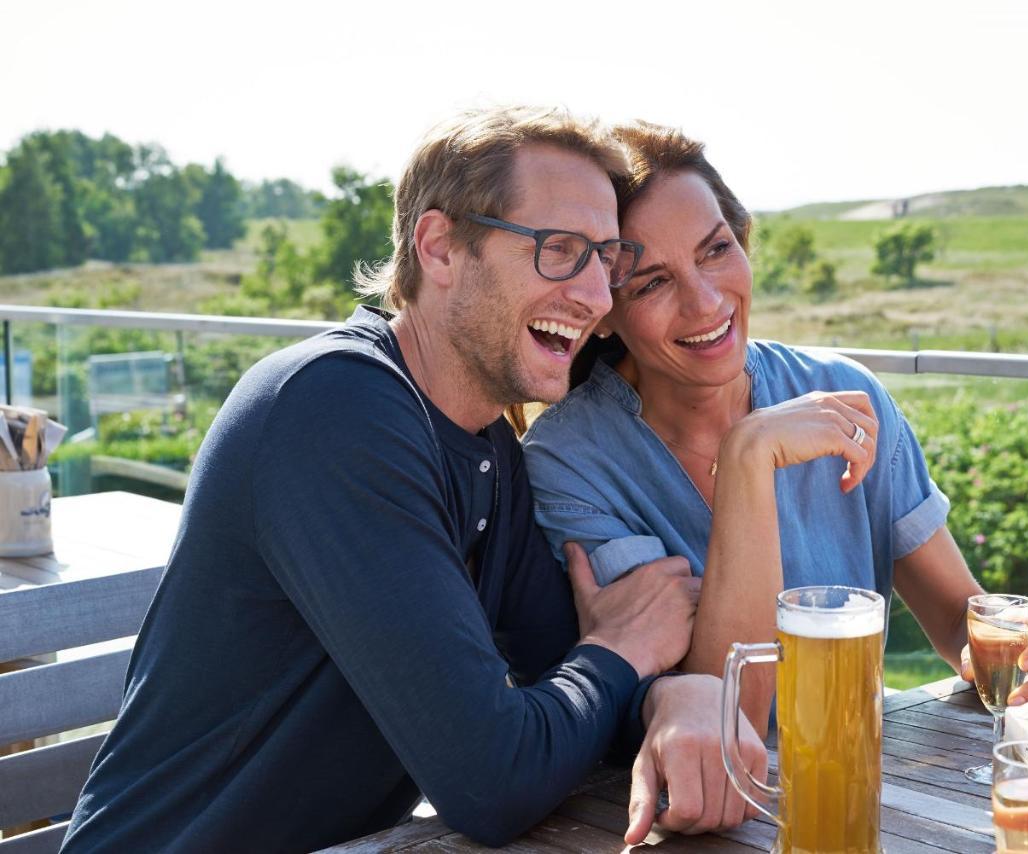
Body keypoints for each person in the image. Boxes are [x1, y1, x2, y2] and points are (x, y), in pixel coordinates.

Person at [61, 107, 765, 853]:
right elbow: (493, 779)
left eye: (605, 258)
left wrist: (671, 696)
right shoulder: (333, 408)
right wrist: (624, 652)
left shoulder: (487, 442)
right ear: (439, 247)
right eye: (559, 250)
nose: (596, 296)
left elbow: (566, 671)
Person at [521, 122, 1028, 732]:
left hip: (856, 779)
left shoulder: (849, 392)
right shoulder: (568, 459)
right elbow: (730, 714)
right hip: (682, 815)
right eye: (654, 282)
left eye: (716, 250)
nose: (707, 302)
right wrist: (748, 457)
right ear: (604, 309)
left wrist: (1014, 643)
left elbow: (955, 619)